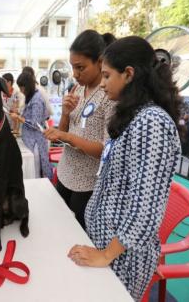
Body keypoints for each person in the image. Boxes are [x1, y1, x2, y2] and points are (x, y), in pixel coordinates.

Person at [67, 36, 182, 301]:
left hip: (120, 257)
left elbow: (146, 209)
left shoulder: (151, 122)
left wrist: (106, 254)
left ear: (128, 74)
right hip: (106, 243)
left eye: (107, 76)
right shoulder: (133, 114)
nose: (103, 83)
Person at [44, 30, 116, 229]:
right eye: (73, 67)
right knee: (59, 225)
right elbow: (62, 134)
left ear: (100, 62)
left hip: (87, 183)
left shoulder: (109, 95)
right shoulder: (77, 89)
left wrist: (67, 136)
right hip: (66, 172)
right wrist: (66, 113)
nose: (75, 74)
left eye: (81, 67)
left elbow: (105, 151)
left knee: (77, 233)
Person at [11, 72, 53, 179]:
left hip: (36, 142)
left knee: (37, 171)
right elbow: (29, 115)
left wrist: (19, 118)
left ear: (27, 86)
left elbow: (36, 124)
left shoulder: (37, 100)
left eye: (21, 87)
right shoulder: (31, 96)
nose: (20, 90)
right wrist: (19, 114)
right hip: (30, 140)